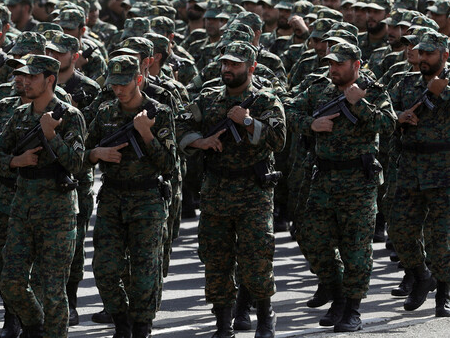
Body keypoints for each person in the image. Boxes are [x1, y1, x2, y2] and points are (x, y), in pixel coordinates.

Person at [176, 41, 285, 338]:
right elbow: (180, 126)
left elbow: (279, 139)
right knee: (216, 258)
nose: (227, 69)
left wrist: (248, 122)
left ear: (250, 68)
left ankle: (264, 316)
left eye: (235, 65)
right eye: (225, 64)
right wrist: (200, 142)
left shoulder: (265, 101)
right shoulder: (208, 99)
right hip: (216, 190)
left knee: (256, 256)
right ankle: (223, 323)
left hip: (253, 191)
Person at [285, 41, 395, 331]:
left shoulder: (374, 92)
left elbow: (388, 124)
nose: (333, 69)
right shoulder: (319, 90)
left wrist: (360, 103)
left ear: (356, 66)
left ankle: (352, 308)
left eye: (339, 64)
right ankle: (336, 292)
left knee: (356, 249)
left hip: (359, 181)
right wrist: (311, 124)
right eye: (331, 64)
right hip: (323, 179)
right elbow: (286, 111)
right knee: (311, 238)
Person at [0, 54, 86, 336]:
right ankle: (34, 325)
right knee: (12, 281)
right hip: (23, 208)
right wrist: (15, 162)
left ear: (50, 80)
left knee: (54, 288)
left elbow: (78, 164)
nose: (26, 81)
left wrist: (52, 136)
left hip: (57, 208)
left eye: (33, 77)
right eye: (24, 76)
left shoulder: (70, 116)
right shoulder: (20, 115)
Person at [86, 55, 176, 337]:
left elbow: (170, 163)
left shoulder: (159, 112)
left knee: (145, 268)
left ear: (138, 80)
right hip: (112, 196)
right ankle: (121, 318)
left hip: (147, 198)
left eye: (124, 83)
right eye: (113, 84)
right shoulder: (104, 113)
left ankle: (141, 325)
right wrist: (95, 154)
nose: (118, 90)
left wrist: (146, 135)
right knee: (104, 266)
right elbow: (82, 152)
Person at [388, 30, 450, 316]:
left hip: (443, 170)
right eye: (420, 53)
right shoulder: (406, 82)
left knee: (442, 237)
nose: (422, 58)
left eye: (429, 53)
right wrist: (398, 118)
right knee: (400, 230)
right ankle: (422, 275)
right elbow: (386, 113)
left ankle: (444, 295)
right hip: (410, 169)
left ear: (444, 56)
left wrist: (443, 91)